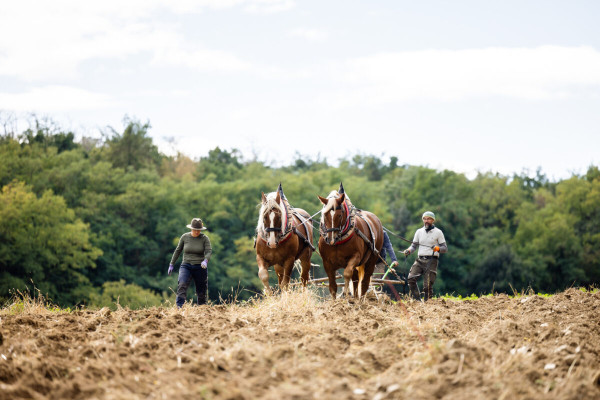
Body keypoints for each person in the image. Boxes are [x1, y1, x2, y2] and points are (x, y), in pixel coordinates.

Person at [403, 211, 447, 301]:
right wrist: (408, 250)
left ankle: (428, 304)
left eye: (428, 219)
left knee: (427, 285)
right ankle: (418, 301)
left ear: (433, 220)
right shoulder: (419, 232)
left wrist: (437, 248)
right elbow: (414, 246)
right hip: (420, 260)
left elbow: (444, 248)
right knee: (411, 279)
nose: (426, 221)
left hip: (432, 260)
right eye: (424, 219)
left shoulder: (438, 232)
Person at [168, 218, 213, 307]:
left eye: (199, 230)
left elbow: (209, 251)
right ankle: (180, 307)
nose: (197, 232)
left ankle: (202, 308)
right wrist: (171, 264)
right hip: (186, 265)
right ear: (191, 229)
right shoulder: (185, 237)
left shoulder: (204, 238)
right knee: (182, 284)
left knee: (201, 290)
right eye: (195, 230)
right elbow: (178, 250)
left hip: (200, 266)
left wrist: (205, 260)